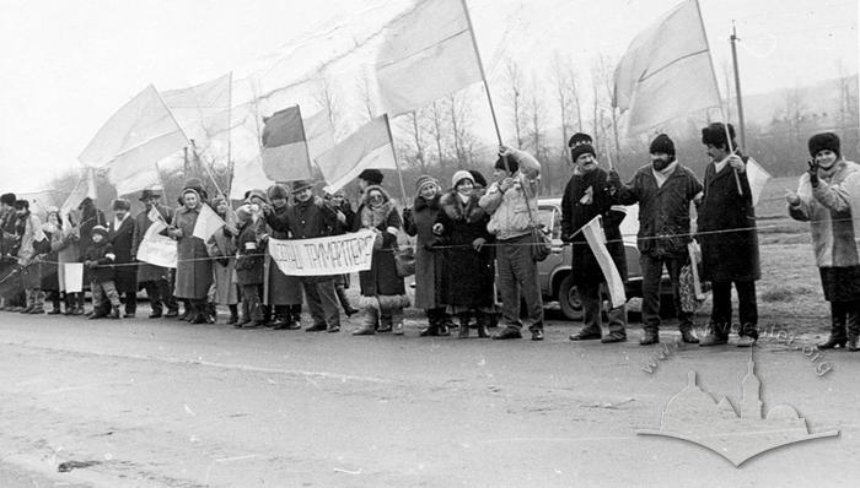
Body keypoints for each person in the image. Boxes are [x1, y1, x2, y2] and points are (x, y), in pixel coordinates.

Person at [609, 134, 703, 345]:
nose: (656, 158)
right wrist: (616, 186)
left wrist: (700, 227)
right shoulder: (642, 175)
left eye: (660, 153)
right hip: (649, 242)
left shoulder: (685, 176)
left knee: (683, 289)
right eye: (653, 153)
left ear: (671, 155)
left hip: (678, 243)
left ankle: (687, 328)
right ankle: (650, 330)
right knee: (649, 290)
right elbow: (626, 198)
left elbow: (701, 201)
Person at [787, 132, 860, 350]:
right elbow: (806, 211)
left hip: (850, 243)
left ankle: (855, 334)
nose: (824, 158)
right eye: (819, 154)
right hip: (824, 243)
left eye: (828, 153)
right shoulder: (807, 177)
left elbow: (840, 202)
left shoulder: (853, 173)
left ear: (837, 153)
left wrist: (816, 183)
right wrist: (796, 203)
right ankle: (837, 333)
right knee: (834, 291)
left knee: (855, 291)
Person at [697, 123, 761, 347]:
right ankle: (719, 331)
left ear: (724, 145)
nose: (708, 151)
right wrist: (701, 229)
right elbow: (706, 202)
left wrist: (743, 172)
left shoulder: (745, 164)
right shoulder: (709, 168)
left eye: (712, 146)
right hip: (715, 241)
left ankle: (749, 332)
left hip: (739, 239)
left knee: (745, 288)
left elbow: (753, 197)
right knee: (720, 288)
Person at [562, 141, 629, 343]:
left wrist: (603, 231)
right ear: (576, 162)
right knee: (586, 286)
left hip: (607, 244)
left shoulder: (605, 178)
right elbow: (566, 212)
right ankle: (591, 326)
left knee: (612, 285)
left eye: (590, 156)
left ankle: (618, 329)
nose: (588, 159)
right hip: (583, 247)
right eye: (583, 157)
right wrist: (566, 232)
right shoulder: (572, 184)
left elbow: (619, 209)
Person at [479, 146, 545, 341]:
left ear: (509, 170)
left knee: (530, 285)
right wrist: (501, 189)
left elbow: (534, 167)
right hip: (502, 240)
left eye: (498, 170)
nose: (494, 173)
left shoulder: (526, 182)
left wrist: (513, 153)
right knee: (507, 286)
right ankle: (511, 325)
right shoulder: (495, 187)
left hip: (522, 238)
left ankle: (536, 326)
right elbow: (485, 205)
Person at [434, 171, 494, 338]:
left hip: (479, 252)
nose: (466, 186)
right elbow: (441, 223)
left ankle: (483, 325)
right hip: (458, 252)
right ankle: (464, 325)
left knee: (481, 289)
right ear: (456, 186)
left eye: (469, 183)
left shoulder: (482, 202)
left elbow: (491, 223)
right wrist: (439, 226)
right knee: (460, 291)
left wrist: (484, 237)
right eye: (462, 183)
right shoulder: (447, 204)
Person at [351, 184, 410, 336]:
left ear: (384, 197)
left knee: (392, 289)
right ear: (367, 200)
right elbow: (354, 230)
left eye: (379, 196)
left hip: (387, 255)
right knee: (369, 288)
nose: (376, 199)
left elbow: (392, 233)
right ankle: (369, 322)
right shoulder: (362, 211)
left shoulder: (391, 211)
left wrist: (377, 236)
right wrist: (364, 233)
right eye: (372, 197)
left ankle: (398, 322)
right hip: (367, 256)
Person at [285, 180, 342, 333]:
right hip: (304, 255)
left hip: (320, 253)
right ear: (295, 195)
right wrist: (269, 215)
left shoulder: (320, 205)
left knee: (325, 287)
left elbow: (334, 221)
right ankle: (319, 320)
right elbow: (281, 225)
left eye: (305, 191)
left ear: (310, 190)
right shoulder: (292, 211)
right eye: (298, 192)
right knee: (310, 288)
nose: (302, 194)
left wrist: (325, 207)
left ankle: (333, 321)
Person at [404, 175, 452, 336]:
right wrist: (406, 220)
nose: (429, 191)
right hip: (424, 251)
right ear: (420, 193)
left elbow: (451, 227)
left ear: (437, 188)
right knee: (426, 287)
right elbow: (412, 231)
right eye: (425, 189)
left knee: (441, 285)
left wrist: (441, 240)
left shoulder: (445, 205)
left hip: (441, 250)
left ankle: (444, 321)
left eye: (431, 187)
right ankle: (432, 322)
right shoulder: (416, 209)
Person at [169, 183, 214, 324]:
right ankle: (194, 311)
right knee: (188, 284)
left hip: (202, 252)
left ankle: (207, 312)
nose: (190, 202)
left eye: (193, 199)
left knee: (203, 283)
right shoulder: (178, 213)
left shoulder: (206, 212)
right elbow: (171, 228)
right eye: (187, 199)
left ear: (198, 199)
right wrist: (175, 233)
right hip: (185, 252)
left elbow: (214, 228)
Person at [261, 184, 304, 330]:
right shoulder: (268, 212)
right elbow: (261, 229)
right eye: (274, 199)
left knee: (292, 286)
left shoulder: (292, 211)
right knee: (277, 286)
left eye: (280, 198)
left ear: (286, 198)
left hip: (290, 252)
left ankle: (296, 316)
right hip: (273, 253)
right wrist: (263, 236)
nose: (278, 202)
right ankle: (282, 315)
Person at [131, 188, 178, 319]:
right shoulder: (140, 216)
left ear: (158, 199)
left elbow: (174, 228)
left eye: (153, 199)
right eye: (147, 200)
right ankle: (155, 308)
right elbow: (136, 235)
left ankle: (172, 307)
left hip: (161, 252)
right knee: (148, 282)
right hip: (145, 253)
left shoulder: (167, 212)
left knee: (162, 282)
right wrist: (134, 251)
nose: (150, 202)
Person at [206, 195, 240, 325]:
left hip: (232, 258)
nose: (221, 206)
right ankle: (212, 311)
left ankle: (235, 313)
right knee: (218, 286)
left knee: (232, 287)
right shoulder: (212, 222)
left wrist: (231, 237)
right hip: (219, 260)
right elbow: (209, 241)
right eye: (218, 204)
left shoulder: (233, 218)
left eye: (224, 203)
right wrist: (217, 254)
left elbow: (239, 235)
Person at [234, 204, 266, 328]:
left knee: (251, 294)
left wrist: (242, 262)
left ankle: (256, 317)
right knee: (245, 294)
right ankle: (246, 316)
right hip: (244, 266)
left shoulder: (249, 232)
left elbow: (251, 252)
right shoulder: (244, 230)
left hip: (249, 267)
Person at [327, 190, 358, 317]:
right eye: (335, 196)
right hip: (326, 245)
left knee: (340, 276)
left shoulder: (345, 209)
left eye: (340, 197)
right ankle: (346, 306)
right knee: (335, 277)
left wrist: (345, 218)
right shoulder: (325, 209)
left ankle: (346, 306)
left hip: (340, 246)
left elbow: (352, 226)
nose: (338, 199)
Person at [15, 200, 47, 314]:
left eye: (20, 209)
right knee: (26, 281)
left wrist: (34, 254)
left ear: (26, 208)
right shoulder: (19, 222)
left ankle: (39, 305)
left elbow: (39, 237)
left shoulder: (33, 219)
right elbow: (18, 238)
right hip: (22, 255)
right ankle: (30, 304)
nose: (18, 211)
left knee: (35, 280)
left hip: (33, 254)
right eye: (17, 209)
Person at [83, 225, 122, 319]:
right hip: (94, 275)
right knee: (96, 293)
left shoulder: (108, 246)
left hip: (106, 275)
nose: (95, 237)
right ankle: (97, 310)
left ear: (103, 236)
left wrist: (98, 262)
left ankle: (116, 309)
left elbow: (110, 258)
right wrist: (87, 262)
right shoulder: (90, 248)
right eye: (94, 236)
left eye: (98, 235)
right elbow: (85, 258)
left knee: (111, 292)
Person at [76, 196, 107, 315]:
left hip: (95, 250)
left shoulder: (97, 214)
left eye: (84, 205)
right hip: (83, 251)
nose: (83, 208)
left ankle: (99, 307)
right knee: (87, 282)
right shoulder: (82, 217)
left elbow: (102, 231)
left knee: (97, 281)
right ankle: (89, 306)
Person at [108, 199, 137, 318]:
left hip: (128, 257)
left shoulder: (133, 222)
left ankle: (130, 310)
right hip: (114, 258)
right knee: (115, 285)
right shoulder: (111, 223)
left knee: (130, 285)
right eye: (117, 209)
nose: (119, 212)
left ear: (127, 210)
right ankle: (115, 309)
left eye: (122, 209)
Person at [50, 208, 83, 315]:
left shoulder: (75, 227)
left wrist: (74, 238)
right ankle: (69, 306)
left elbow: (80, 241)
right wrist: (64, 240)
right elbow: (54, 246)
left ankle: (80, 306)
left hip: (75, 258)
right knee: (66, 284)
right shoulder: (56, 230)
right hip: (63, 260)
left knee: (76, 284)